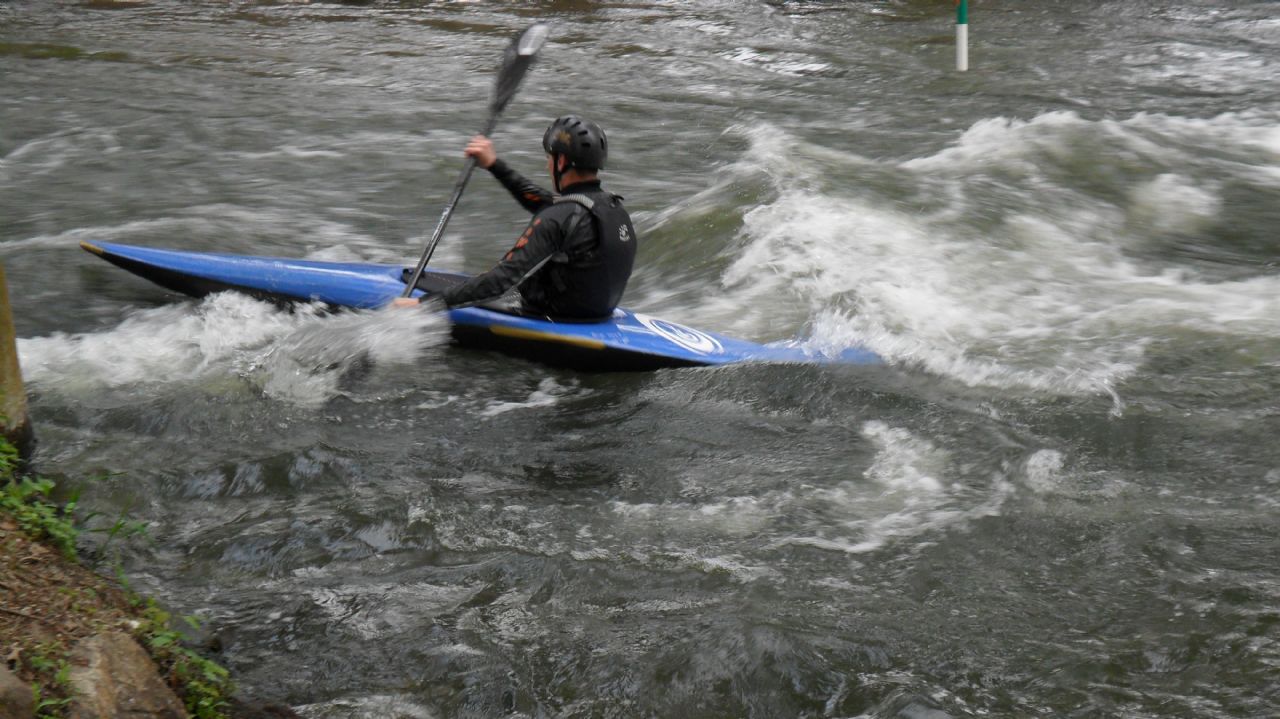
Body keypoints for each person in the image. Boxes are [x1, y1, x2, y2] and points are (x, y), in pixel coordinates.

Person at [394, 115, 637, 320]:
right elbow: (543, 203)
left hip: (556, 316)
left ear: (561, 161)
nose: (547, 166)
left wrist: (423, 305)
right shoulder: (610, 206)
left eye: (549, 158)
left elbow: (500, 282)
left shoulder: (560, 217)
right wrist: (494, 164)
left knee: (493, 282)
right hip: (597, 314)